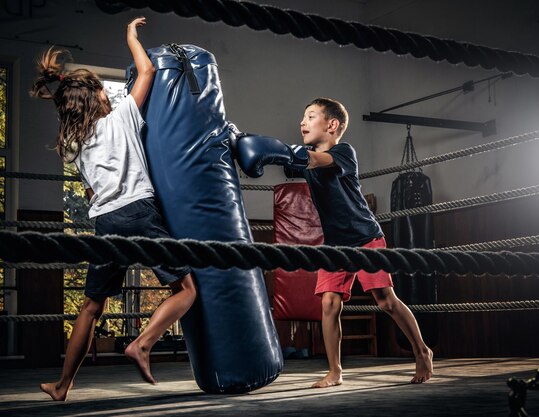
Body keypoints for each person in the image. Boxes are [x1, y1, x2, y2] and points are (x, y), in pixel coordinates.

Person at [31, 17, 196, 401]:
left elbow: (90, 191)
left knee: (91, 306)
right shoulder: (121, 118)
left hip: (105, 222)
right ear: (99, 97)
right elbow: (148, 70)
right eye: (104, 91)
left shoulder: (73, 143)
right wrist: (130, 36)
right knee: (185, 289)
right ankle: (143, 344)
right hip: (138, 212)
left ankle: (62, 385)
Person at [234, 98, 433, 388]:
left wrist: (286, 153)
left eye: (310, 116)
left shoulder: (343, 152)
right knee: (328, 304)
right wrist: (241, 146)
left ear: (332, 125)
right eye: (303, 117)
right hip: (335, 245)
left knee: (385, 300)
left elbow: (317, 161)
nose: (302, 122)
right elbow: (285, 162)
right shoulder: (306, 157)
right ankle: (335, 370)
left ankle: (422, 351)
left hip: (365, 236)